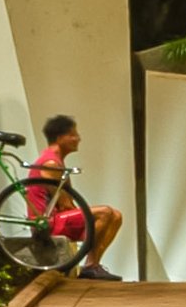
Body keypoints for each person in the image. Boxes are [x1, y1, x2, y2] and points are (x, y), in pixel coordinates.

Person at [28, 113, 123, 269]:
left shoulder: (57, 161)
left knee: (116, 216)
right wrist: (87, 218)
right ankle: (90, 265)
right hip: (47, 224)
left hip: (57, 219)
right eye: (73, 135)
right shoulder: (50, 163)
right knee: (104, 213)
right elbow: (65, 204)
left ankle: (92, 264)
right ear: (59, 138)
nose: (78, 139)